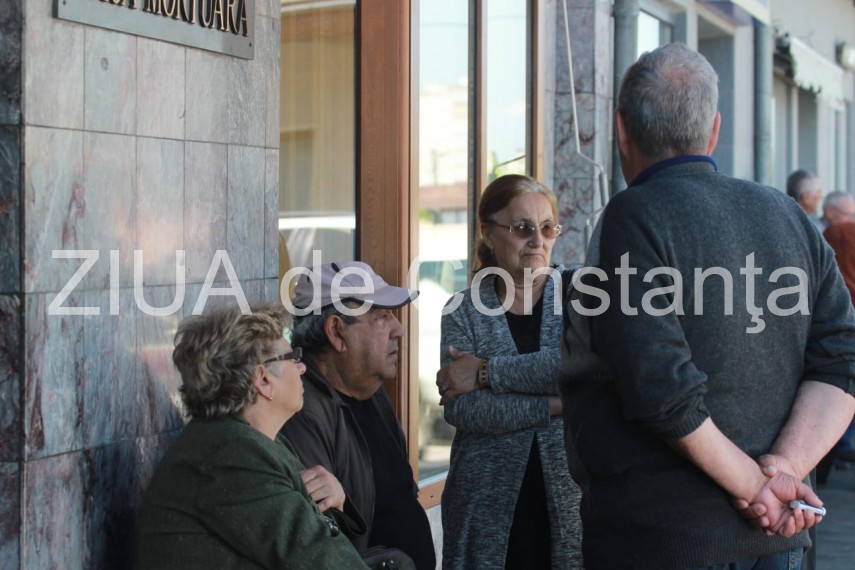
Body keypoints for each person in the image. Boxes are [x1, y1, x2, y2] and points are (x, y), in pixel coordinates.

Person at [560, 43, 855, 570]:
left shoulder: (633, 215)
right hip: (778, 535)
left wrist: (758, 485)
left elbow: (661, 388)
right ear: (714, 129)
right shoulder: (787, 214)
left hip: (665, 540)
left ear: (620, 130)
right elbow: (842, 361)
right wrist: (784, 470)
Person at [135, 303, 368, 569]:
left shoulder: (247, 442)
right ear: (263, 379)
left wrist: (334, 502)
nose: (302, 368)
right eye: (293, 357)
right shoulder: (230, 452)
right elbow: (318, 558)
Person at [436, 174, 583, 569]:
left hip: (570, 505)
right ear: (488, 233)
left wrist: (486, 372)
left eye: (547, 228)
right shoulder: (463, 309)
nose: (537, 240)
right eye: (522, 228)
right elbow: (465, 410)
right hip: (484, 506)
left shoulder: (579, 295)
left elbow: (574, 369)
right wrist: (556, 405)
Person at [280, 261, 436, 570]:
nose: (399, 329)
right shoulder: (301, 410)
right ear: (337, 332)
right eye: (381, 317)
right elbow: (319, 538)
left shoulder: (370, 388)